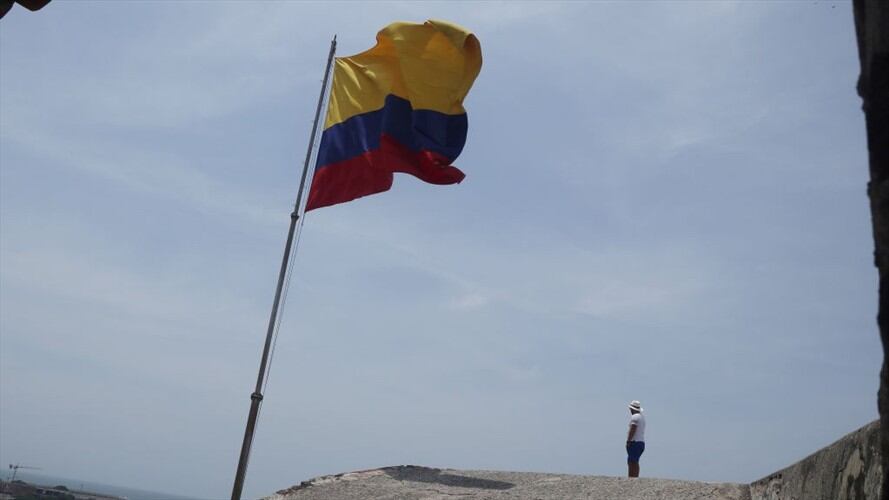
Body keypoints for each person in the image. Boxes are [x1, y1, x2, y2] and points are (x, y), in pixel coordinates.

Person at [625, 400, 646, 477]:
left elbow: (632, 429)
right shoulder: (642, 417)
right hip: (641, 442)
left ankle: (631, 477)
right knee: (635, 460)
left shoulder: (635, 417)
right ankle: (635, 477)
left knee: (631, 461)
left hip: (635, 442)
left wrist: (628, 440)